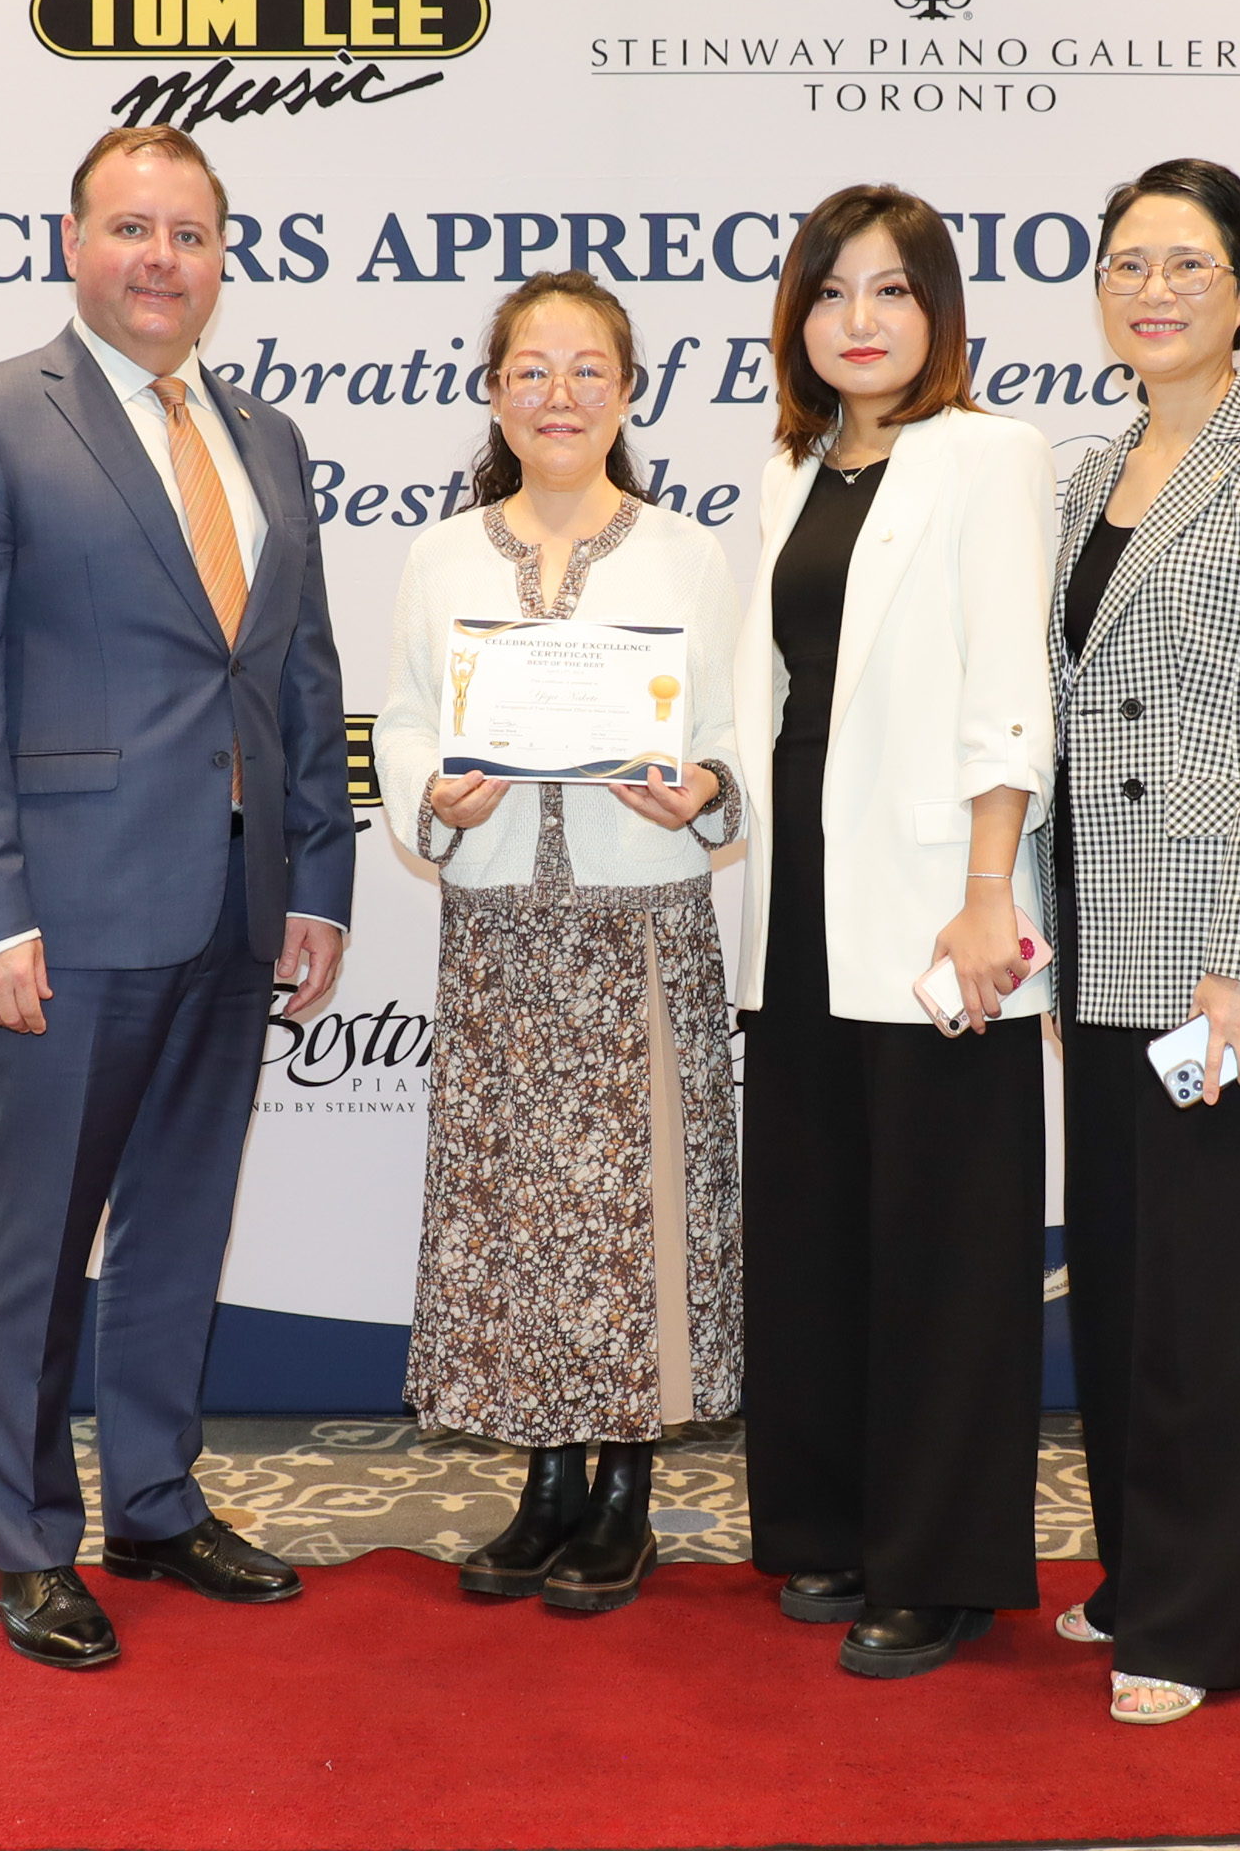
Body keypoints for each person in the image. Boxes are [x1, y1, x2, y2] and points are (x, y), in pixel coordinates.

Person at [0, 124, 357, 1669]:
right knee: (39, 1243)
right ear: (74, 243)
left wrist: (318, 878)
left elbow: (296, 674)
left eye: (191, 234)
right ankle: (30, 1542)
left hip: (234, 906)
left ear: (223, 261)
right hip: (64, 920)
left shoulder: (266, 438)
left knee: (177, 1228)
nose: (162, 259)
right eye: (133, 228)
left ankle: (155, 1501)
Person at [1042, 157, 1240, 1724]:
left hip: (1220, 955)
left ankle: (1189, 1627)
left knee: (1208, 1308)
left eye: (1184, 263)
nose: (1152, 289)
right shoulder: (1086, 470)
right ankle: (1135, 1572)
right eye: (1126, 263)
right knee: (1119, 1286)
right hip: (1103, 936)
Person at [374, 272, 745, 1613]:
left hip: (640, 924)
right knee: (518, 1215)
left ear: (629, 393)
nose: (560, 396)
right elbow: (406, 716)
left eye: (589, 370)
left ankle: (626, 1493)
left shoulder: (686, 554)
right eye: (531, 371)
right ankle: (544, 1488)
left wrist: (703, 790)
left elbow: (731, 731)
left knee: (639, 1213)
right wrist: (435, 793)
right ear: (493, 394)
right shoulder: (442, 555)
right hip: (501, 932)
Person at [731, 184, 1058, 1679]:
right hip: (797, 906)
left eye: (891, 291)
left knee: (945, 1249)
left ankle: (939, 1567)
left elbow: (1010, 683)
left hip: (940, 908)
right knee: (816, 1234)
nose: (857, 320)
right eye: (829, 291)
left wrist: (991, 889)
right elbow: (772, 694)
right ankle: (835, 1524)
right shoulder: (787, 472)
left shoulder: (991, 455)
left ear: (939, 314)